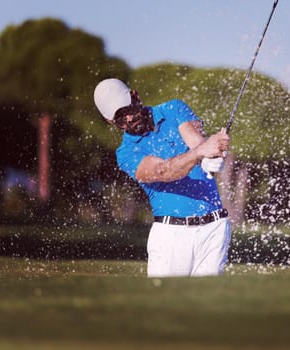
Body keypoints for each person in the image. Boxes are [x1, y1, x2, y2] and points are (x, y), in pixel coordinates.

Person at [94, 78, 231, 277]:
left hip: (215, 229)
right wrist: (200, 153)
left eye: (129, 110)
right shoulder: (126, 153)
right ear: (111, 122)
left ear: (136, 96)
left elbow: (196, 141)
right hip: (172, 236)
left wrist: (212, 155)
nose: (130, 119)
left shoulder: (173, 109)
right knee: (164, 305)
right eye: (121, 119)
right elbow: (162, 171)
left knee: (207, 303)